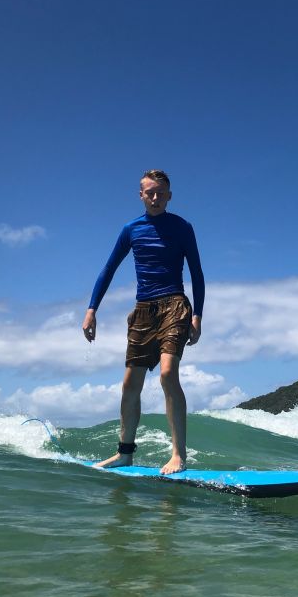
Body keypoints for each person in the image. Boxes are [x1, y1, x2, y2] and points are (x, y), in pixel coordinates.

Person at [81, 169, 204, 475]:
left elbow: (197, 274)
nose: (155, 197)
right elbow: (108, 269)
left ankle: (178, 455)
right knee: (129, 384)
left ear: (169, 196)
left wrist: (197, 315)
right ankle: (125, 453)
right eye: (149, 192)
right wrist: (91, 309)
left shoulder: (182, 227)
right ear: (140, 195)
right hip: (143, 311)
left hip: (175, 305)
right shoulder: (131, 229)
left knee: (166, 374)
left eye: (160, 192)